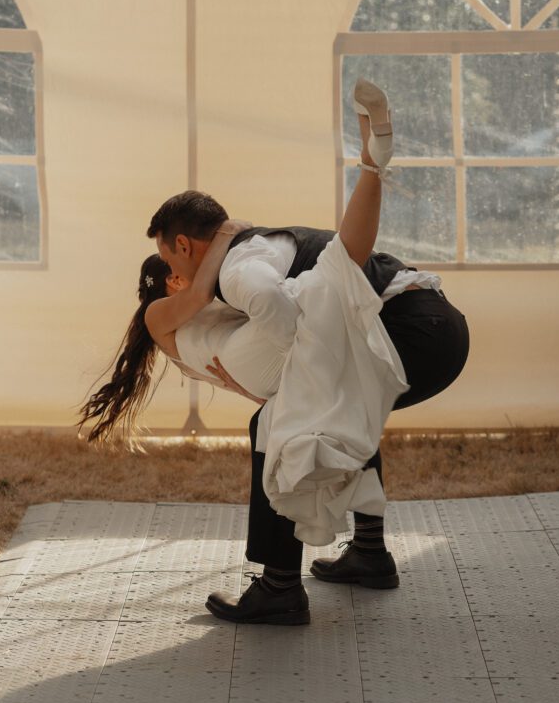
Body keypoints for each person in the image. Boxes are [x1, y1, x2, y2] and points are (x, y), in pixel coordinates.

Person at [143, 79, 470, 626]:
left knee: (277, 422)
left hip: (410, 330)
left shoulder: (237, 267)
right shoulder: (262, 245)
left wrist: (293, 381)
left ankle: (278, 587)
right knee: (339, 405)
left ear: (184, 245)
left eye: (172, 263)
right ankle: (368, 553)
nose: (175, 276)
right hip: (437, 326)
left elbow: (272, 303)